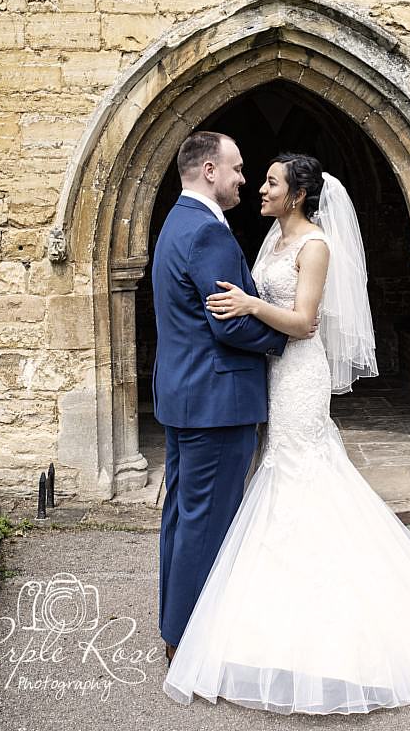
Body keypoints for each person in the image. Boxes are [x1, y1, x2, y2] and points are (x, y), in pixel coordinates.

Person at [163, 152, 410, 715]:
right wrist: (251, 308)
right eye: (254, 176)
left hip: (297, 374)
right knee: (272, 477)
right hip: (271, 373)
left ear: (296, 195)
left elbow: (304, 321)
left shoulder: (315, 245)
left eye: (269, 181)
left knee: (299, 473)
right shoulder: (270, 241)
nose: (258, 187)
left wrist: (248, 304)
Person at [151, 132, 294, 665]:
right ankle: (190, 642)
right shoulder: (209, 233)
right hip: (216, 398)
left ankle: (176, 628)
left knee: (184, 515)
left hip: (186, 393)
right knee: (207, 519)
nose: (243, 179)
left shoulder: (176, 221)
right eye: (237, 168)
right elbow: (229, 322)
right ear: (209, 170)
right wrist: (286, 335)